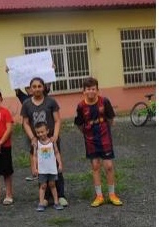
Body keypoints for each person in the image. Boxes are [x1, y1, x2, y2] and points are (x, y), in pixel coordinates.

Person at [74, 77, 122, 207]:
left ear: (97, 90)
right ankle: (99, 196)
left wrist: (105, 129)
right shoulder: (80, 106)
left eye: (93, 89)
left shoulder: (104, 101)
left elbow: (111, 119)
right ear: (83, 91)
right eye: (88, 89)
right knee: (95, 166)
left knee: (109, 166)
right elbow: (79, 124)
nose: (91, 91)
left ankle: (112, 194)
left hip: (104, 136)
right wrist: (87, 132)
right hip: (90, 138)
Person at [20, 77, 67, 207]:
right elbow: (25, 123)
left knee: (56, 165)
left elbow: (57, 120)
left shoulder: (51, 102)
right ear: (30, 89)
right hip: (37, 142)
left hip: (50, 140)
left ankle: (61, 195)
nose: (37, 89)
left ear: (44, 87)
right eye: (34, 87)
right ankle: (45, 197)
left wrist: (55, 136)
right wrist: (32, 138)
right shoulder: (27, 104)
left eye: (39, 86)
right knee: (41, 167)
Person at [31, 122, 64, 212]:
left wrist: (60, 163)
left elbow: (57, 152)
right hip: (42, 170)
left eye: (42, 132)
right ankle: (41, 203)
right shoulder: (36, 143)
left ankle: (56, 202)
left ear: (47, 131)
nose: (40, 134)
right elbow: (34, 156)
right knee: (43, 185)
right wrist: (35, 167)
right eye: (38, 132)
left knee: (52, 184)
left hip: (52, 168)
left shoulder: (52, 142)